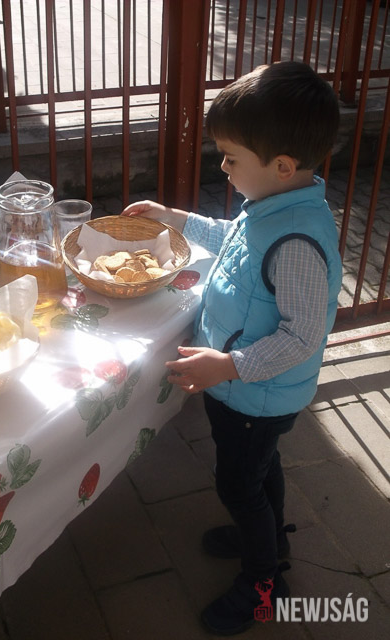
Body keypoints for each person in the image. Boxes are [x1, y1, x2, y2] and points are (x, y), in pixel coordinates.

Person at [121, 60, 342, 636]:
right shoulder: (273, 206)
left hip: (255, 394)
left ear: (282, 165)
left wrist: (229, 366)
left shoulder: (296, 241)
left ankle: (263, 582)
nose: (222, 166)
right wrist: (174, 218)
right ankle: (268, 535)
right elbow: (230, 239)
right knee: (258, 469)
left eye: (230, 157)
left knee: (238, 484)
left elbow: (302, 336)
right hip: (245, 392)